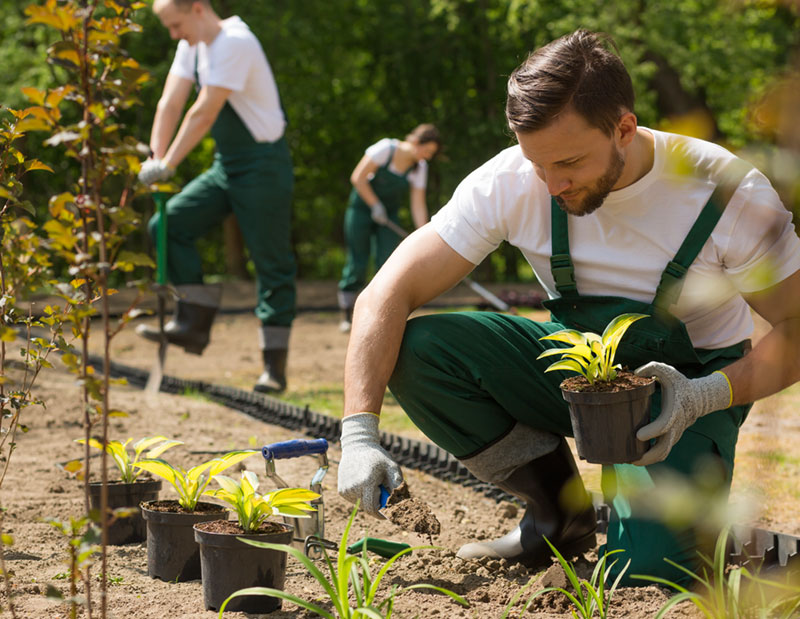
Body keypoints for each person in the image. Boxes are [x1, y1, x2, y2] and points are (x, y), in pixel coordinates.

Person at [336, 29, 800, 584]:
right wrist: (359, 434)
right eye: (538, 164)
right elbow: (385, 293)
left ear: (624, 128)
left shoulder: (725, 193)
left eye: (571, 163)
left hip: (686, 395)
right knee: (422, 351)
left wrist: (705, 396)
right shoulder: (511, 181)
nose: (552, 184)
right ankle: (558, 515)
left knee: (649, 577)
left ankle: (651, 517)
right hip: (578, 376)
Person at [136, 0, 296, 393]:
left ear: (197, 9)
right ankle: (192, 325)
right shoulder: (191, 46)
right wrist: (156, 157)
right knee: (166, 225)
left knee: (271, 264)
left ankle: (273, 369)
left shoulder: (235, 42)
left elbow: (203, 112)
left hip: (263, 165)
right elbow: (170, 103)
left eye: (176, 25)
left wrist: (170, 162)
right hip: (227, 166)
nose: (174, 34)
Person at [337, 125, 441, 332]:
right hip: (362, 210)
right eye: (426, 151)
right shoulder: (385, 149)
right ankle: (347, 316)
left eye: (431, 154)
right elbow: (358, 177)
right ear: (415, 142)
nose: (426, 157)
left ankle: (377, 316)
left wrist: (423, 233)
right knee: (357, 262)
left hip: (388, 218)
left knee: (386, 263)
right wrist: (375, 205)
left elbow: (417, 203)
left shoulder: (419, 167)